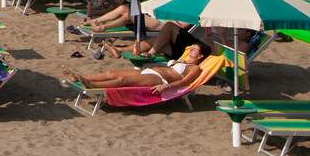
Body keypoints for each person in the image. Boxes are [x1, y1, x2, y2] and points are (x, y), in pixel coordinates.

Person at [74, 42, 209, 91]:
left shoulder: (195, 68)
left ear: (200, 56)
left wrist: (166, 86)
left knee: (123, 81)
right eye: (191, 47)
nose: (190, 49)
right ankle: (82, 77)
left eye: (194, 49)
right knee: (112, 73)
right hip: (150, 71)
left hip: (160, 79)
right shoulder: (182, 60)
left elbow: (184, 82)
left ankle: (92, 85)